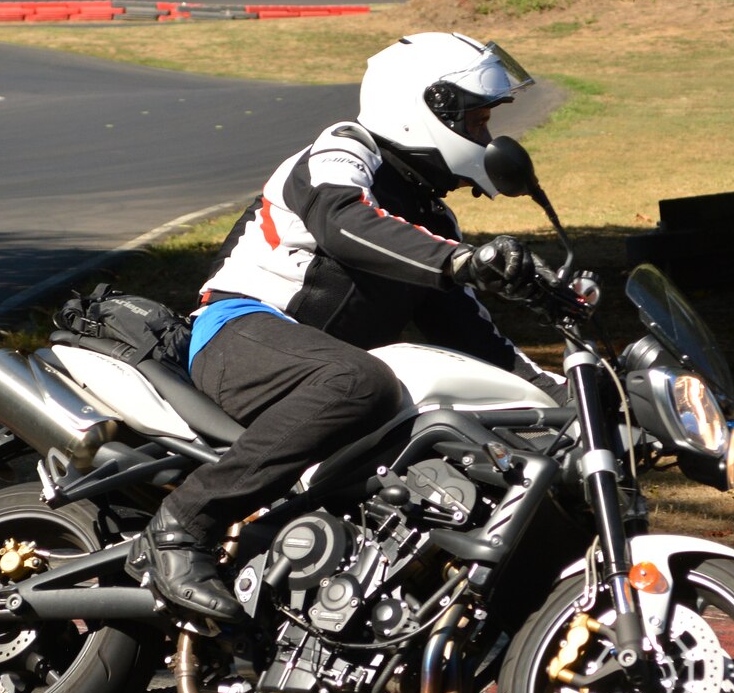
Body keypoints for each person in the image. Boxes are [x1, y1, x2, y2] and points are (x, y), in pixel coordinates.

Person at [128, 32, 556, 621]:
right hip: (237, 334)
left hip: (315, 374)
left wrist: (572, 399)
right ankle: (181, 526)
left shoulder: (432, 218)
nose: (486, 137)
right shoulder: (345, 152)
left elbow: (478, 342)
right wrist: (457, 262)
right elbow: (341, 220)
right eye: (477, 120)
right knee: (364, 381)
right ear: (424, 107)